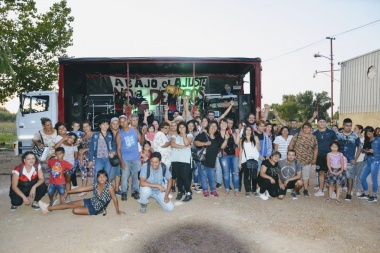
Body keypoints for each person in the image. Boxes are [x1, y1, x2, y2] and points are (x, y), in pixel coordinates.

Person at [39, 170, 125, 216]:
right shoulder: (95, 184)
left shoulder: (109, 186)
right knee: (70, 204)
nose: (102, 178)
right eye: (100, 177)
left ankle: (47, 208)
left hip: (97, 208)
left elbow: (114, 198)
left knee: (74, 210)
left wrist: (117, 211)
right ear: (97, 178)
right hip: (91, 201)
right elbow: (81, 189)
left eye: (104, 177)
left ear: (107, 178)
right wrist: (68, 191)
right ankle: (47, 208)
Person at [194, 121, 229, 197]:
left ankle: (213, 190)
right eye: (212, 126)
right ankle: (205, 190)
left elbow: (222, 147)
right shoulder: (203, 134)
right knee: (203, 176)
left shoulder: (217, 137)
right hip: (202, 160)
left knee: (212, 176)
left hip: (212, 160)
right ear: (208, 127)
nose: (213, 128)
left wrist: (226, 139)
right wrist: (205, 143)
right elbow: (195, 142)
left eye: (215, 126)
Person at [116, 115, 144, 201]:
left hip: (136, 157)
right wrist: (121, 162)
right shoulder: (119, 133)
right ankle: (124, 192)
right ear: (119, 124)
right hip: (125, 159)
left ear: (128, 121)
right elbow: (118, 149)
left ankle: (135, 191)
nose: (123, 123)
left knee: (136, 176)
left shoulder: (135, 130)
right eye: (121, 122)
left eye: (124, 121)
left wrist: (142, 133)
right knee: (124, 176)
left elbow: (142, 142)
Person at [288, 122, 318, 197]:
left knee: (306, 175)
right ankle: (296, 189)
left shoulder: (313, 138)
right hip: (297, 159)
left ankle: (305, 190)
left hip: (307, 160)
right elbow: (291, 145)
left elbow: (315, 149)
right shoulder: (297, 135)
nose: (306, 129)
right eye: (305, 127)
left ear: (311, 129)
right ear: (302, 128)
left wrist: (314, 158)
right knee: (297, 175)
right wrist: (291, 155)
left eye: (308, 127)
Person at [336, 118, 362, 201]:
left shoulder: (355, 135)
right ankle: (337, 192)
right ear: (343, 125)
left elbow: (359, 148)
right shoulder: (338, 134)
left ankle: (349, 193)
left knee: (349, 177)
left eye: (350, 126)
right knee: (338, 176)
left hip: (350, 160)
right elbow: (334, 145)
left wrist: (355, 159)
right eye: (347, 126)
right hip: (338, 160)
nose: (348, 127)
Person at [312, 117, 337, 197]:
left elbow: (336, 142)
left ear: (326, 123)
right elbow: (313, 146)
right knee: (321, 172)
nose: (322, 123)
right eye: (320, 122)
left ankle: (332, 191)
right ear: (317, 123)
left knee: (331, 173)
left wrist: (336, 154)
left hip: (330, 156)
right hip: (320, 156)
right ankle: (321, 190)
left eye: (323, 122)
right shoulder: (315, 134)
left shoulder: (331, 132)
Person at [170, 122, 193, 202]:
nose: (181, 129)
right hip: (175, 158)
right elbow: (172, 144)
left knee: (184, 176)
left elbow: (187, 143)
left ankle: (189, 192)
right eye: (180, 127)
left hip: (185, 159)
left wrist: (183, 135)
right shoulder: (174, 136)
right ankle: (180, 191)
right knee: (178, 177)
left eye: (183, 127)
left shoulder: (189, 135)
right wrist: (183, 147)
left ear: (186, 128)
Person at [88, 119, 115, 185]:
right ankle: (96, 193)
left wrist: (113, 152)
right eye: (103, 124)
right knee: (97, 175)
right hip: (98, 158)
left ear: (109, 126)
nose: (105, 126)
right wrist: (90, 160)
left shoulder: (110, 134)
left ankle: (105, 193)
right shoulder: (95, 135)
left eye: (106, 124)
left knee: (107, 175)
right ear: (100, 126)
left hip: (108, 159)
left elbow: (114, 145)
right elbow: (91, 147)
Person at [359, 126, 380, 202]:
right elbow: (363, 150)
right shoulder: (366, 139)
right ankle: (366, 193)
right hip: (368, 160)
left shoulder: (378, 139)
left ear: (373, 131)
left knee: (374, 178)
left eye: (370, 133)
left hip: (375, 160)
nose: (368, 134)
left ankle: (374, 196)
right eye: (367, 133)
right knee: (362, 177)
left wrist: (374, 151)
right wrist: (365, 150)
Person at [220, 118, 240, 196]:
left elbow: (237, 143)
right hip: (224, 155)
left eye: (230, 123)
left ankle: (236, 189)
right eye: (227, 123)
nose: (228, 124)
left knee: (235, 172)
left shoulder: (232, 132)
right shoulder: (219, 133)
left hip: (234, 155)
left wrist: (238, 134)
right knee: (226, 173)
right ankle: (227, 189)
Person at [238, 126, 260, 197]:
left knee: (254, 176)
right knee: (246, 176)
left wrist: (257, 142)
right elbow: (240, 151)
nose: (248, 131)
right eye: (247, 130)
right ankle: (247, 191)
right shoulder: (242, 139)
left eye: (250, 130)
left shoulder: (255, 138)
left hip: (254, 159)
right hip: (245, 160)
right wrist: (239, 162)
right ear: (244, 131)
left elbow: (259, 149)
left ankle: (253, 189)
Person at [78, 120, 94, 197]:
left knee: (93, 173)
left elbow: (96, 147)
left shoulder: (94, 135)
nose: (85, 128)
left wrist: (85, 149)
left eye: (87, 126)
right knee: (83, 173)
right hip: (83, 157)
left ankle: (98, 188)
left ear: (90, 127)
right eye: (84, 127)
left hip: (93, 156)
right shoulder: (82, 136)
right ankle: (84, 190)